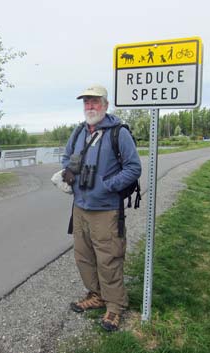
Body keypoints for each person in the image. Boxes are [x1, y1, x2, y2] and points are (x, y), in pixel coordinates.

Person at [61, 85, 142, 331]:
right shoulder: (77, 133)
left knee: (109, 258)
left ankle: (115, 307)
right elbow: (66, 158)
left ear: (106, 105)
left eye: (95, 102)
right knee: (83, 257)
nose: (90, 107)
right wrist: (69, 173)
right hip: (80, 208)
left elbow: (133, 167)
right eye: (86, 102)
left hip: (106, 210)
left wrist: (107, 186)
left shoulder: (118, 133)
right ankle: (96, 295)